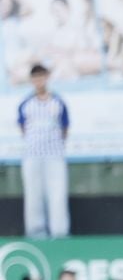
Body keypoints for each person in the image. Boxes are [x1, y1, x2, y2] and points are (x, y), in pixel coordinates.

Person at [16, 63, 70, 238]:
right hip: (32, 156)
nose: (39, 81)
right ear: (32, 81)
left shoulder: (58, 102)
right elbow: (23, 127)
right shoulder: (26, 104)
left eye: (42, 77)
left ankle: (60, 233)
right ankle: (36, 233)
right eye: (35, 78)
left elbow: (65, 128)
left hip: (54, 155)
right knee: (33, 195)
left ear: (47, 78)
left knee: (57, 195)